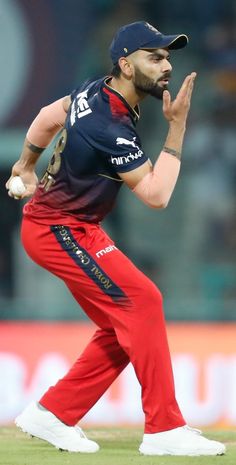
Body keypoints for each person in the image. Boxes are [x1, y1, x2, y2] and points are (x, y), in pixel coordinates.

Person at [6, 21, 225, 456]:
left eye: (167, 57)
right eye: (154, 57)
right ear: (126, 64)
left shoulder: (96, 90)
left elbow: (49, 116)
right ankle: (164, 430)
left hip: (70, 226)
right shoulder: (111, 125)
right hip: (58, 229)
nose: (166, 66)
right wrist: (177, 127)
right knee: (143, 302)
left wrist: (25, 165)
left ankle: (53, 413)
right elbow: (157, 195)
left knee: (126, 323)